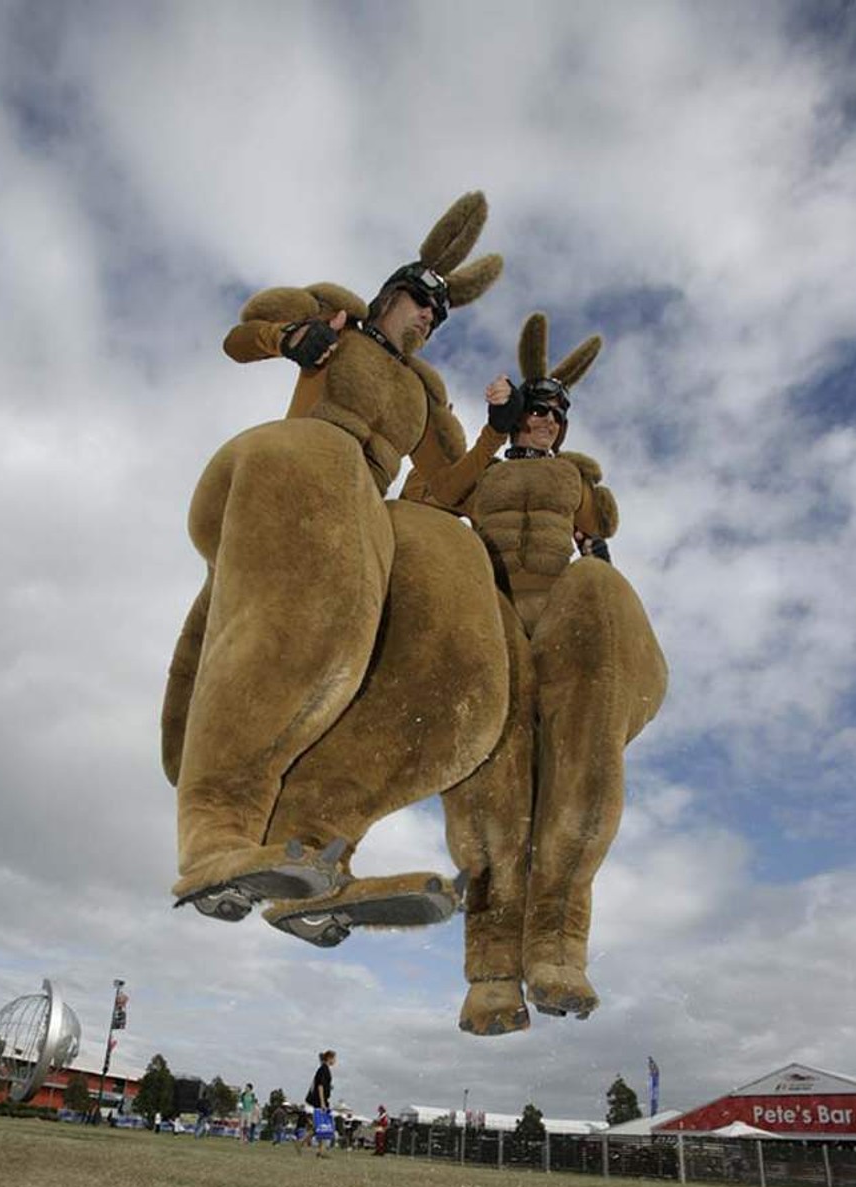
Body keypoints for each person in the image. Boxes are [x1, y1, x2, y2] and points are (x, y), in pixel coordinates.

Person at [164, 194, 506, 926]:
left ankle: (313, 847)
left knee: (441, 551)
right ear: (391, 294)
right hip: (280, 480)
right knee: (332, 463)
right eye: (422, 303)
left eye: (439, 317)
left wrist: (494, 436)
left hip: (355, 526)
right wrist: (291, 337)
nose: (429, 320)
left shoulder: (423, 393)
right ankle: (214, 834)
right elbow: (241, 337)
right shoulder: (336, 317)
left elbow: (448, 489)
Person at [432, 312, 666, 1029]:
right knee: (488, 805)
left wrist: (600, 564)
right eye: (534, 412)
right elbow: (430, 499)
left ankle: (559, 953)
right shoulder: (486, 471)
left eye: (555, 415)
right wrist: (490, 430)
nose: (544, 422)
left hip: (560, 626)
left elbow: (597, 537)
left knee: (581, 779)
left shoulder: (575, 478)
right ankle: (491, 977)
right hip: (496, 624)